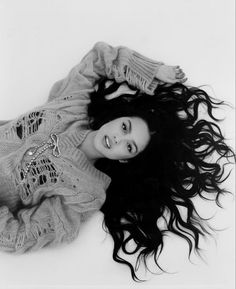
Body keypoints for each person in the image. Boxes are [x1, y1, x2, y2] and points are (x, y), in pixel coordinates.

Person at [0, 42, 234, 282]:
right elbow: (99, 58)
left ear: (125, 159)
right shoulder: (72, 105)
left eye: (129, 146)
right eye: (125, 127)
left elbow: (22, 235)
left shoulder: (87, 191)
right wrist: (152, 71)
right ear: (116, 118)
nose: (118, 138)